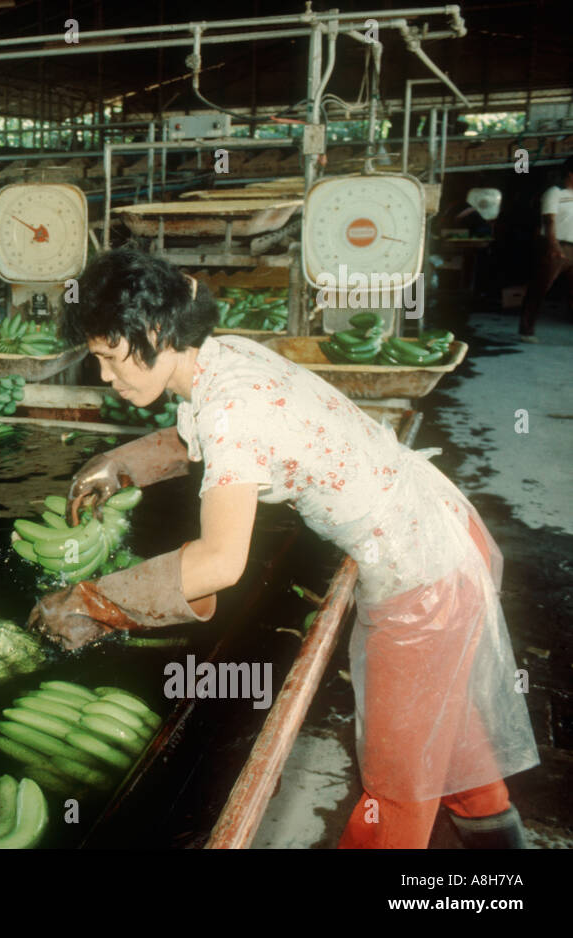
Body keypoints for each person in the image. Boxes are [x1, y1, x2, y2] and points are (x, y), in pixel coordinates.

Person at [27, 249, 539, 850]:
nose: (106, 376)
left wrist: (93, 601)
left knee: (398, 782)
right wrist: (121, 464)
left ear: (156, 331)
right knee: (438, 723)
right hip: (437, 531)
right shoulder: (222, 358)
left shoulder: (231, 410)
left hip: (420, 574)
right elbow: (203, 436)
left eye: (110, 357)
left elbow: (221, 560)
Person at [519, 155, 573, 343]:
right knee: (540, 288)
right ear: (570, 174)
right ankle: (527, 330)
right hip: (555, 245)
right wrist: (553, 245)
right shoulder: (554, 193)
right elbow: (548, 220)